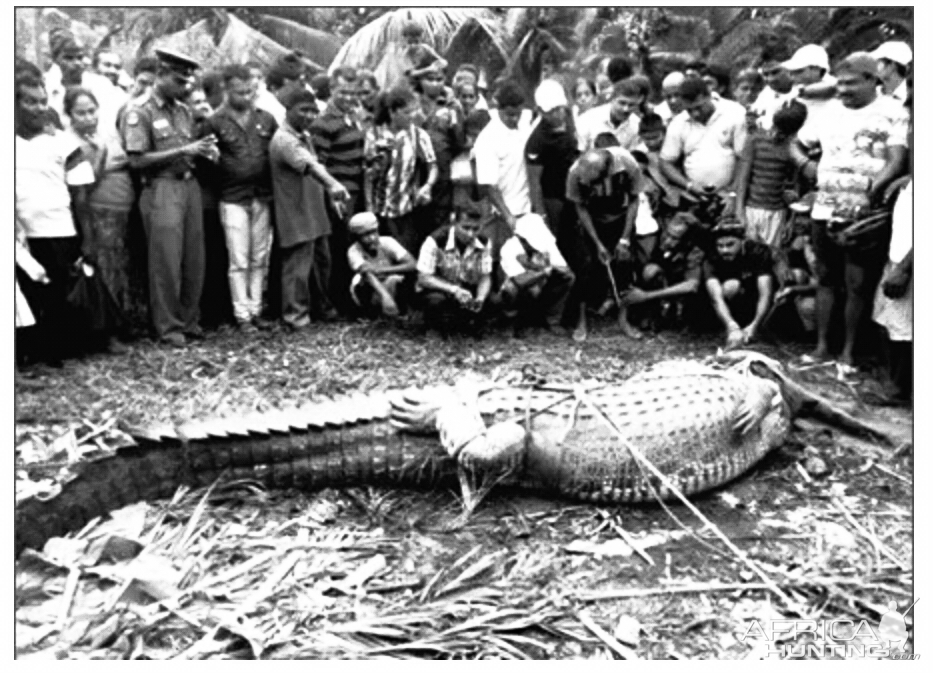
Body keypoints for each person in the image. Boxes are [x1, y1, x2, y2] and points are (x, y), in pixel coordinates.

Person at [793, 52, 909, 371]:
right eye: (840, 83)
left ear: (873, 80)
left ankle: (849, 352)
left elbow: (896, 160)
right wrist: (806, 164)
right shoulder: (828, 111)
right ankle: (821, 347)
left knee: (858, 282)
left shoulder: (893, 112)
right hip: (824, 207)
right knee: (826, 277)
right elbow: (796, 142)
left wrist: (871, 193)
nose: (842, 90)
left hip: (864, 214)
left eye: (850, 83)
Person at [120, 49, 217, 347]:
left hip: (188, 186)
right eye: (178, 80)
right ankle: (167, 327)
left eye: (187, 81)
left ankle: (189, 321)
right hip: (161, 188)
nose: (185, 86)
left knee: (193, 259)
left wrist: (205, 152)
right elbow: (136, 160)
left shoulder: (183, 110)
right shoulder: (139, 112)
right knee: (166, 261)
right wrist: (182, 152)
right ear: (160, 75)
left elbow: (190, 147)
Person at [15, 70, 99, 365]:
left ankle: (61, 352)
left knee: (60, 295)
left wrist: (87, 240)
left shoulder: (64, 144)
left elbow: (81, 197)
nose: (39, 108)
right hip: (21, 238)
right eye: (30, 102)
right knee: (26, 299)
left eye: (42, 101)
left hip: (60, 232)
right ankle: (29, 354)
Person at [203, 64, 279, 331]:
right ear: (226, 90)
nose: (246, 97)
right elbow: (206, 165)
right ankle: (242, 314)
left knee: (260, 257)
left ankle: (257, 308)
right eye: (240, 92)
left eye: (250, 92)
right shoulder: (214, 122)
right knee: (238, 259)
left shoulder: (266, 118)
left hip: (261, 195)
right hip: (233, 197)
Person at [270, 89, 350, 329]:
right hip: (295, 211)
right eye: (303, 110)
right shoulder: (284, 139)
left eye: (313, 111)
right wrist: (334, 185)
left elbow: (316, 165)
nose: (309, 115)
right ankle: (295, 316)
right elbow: (309, 166)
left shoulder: (304, 136)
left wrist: (330, 195)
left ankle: (321, 309)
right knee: (297, 268)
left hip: (314, 210)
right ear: (288, 109)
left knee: (321, 263)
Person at [64, 87, 142, 333]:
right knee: (105, 270)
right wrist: (100, 156)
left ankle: (124, 321)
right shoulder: (72, 144)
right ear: (69, 116)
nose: (88, 118)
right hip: (98, 214)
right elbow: (83, 187)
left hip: (122, 211)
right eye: (81, 113)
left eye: (91, 111)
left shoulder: (107, 133)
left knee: (121, 268)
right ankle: (107, 329)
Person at [565, 147, 643, 341]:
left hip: (621, 219)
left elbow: (634, 199)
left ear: (606, 171)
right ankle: (581, 320)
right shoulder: (575, 172)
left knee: (624, 265)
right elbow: (580, 207)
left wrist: (624, 239)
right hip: (591, 220)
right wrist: (598, 243)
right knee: (585, 266)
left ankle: (623, 319)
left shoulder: (627, 163)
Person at [310, 66, 367, 314]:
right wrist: (331, 195)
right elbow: (318, 165)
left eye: (353, 93)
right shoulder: (323, 123)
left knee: (352, 245)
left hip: (356, 190)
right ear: (332, 89)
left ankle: (349, 298)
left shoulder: (354, 117)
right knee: (338, 248)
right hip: (338, 196)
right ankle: (336, 301)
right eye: (343, 92)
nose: (348, 97)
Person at [363, 87, 438, 256]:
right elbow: (368, 175)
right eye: (406, 112)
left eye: (414, 111)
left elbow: (432, 166)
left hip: (406, 208)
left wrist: (427, 186)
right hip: (380, 208)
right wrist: (369, 206)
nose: (412, 116)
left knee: (406, 253)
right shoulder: (374, 135)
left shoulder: (418, 135)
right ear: (392, 112)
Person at [660, 77, 748, 199]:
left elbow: (744, 158)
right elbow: (666, 162)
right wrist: (688, 186)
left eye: (699, 107)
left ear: (709, 97)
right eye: (690, 110)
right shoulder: (678, 123)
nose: (695, 114)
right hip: (695, 196)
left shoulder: (734, 113)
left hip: (731, 193)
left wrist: (733, 191)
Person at [735, 100, 808, 246]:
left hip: (777, 212)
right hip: (751, 208)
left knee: (772, 256)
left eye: (783, 133)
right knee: (750, 253)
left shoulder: (794, 147)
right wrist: (739, 211)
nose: (776, 134)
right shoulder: (755, 139)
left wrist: (790, 220)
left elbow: (795, 186)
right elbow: (743, 177)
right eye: (776, 128)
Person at [415, 204, 494, 334]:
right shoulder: (435, 240)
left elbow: (485, 275)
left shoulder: (484, 242)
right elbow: (423, 278)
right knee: (436, 301)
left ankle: (465, 321)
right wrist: (453, 290)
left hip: (466, 288)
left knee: (492, 301)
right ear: (454, 222)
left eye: (476, 229)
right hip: (440, 288)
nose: (471, 234)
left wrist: (480, 298)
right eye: (466, 228)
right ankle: (433, 327)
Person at [619, 213, 706, 329]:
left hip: (683, 287)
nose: (667, 241)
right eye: (667, 234)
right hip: (661, 279)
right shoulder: (653, 237)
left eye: (675, 238)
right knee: (650, 271)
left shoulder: (695, 250)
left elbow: (691, 285)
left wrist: (646, 296)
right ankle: (651, 313)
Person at [473, 81, 534, 238]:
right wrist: (508, 216)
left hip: (531, 208)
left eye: (517, 114)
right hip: (507, 212)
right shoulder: (487, 139)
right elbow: (490, 186)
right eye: (509, 115)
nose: (514, 119)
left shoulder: (527, 119)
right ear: (498, 109)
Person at [497, 213, 575, 335]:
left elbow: (565, 270)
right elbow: (518, 280)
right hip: (520, 290)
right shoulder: (510, 247)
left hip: (540, 287)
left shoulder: (547, 243)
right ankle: (512, 321)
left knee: (567, 278)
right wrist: (543, 272)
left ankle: (552, 319)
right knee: (513, 289)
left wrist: (551, 268)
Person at [703, 218, 775, 349]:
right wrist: (731, 326)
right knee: (731, 286)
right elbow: (716, 298)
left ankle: (757, 328)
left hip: (754, 296)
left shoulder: (759, 252)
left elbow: (766, 293)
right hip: (732, 298)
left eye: (730, 245)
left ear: (742, 241)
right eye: (720, 246)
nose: (724, 250)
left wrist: (755, 325)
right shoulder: (711, 256)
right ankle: (732, 326)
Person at [872, 173, 912, 404]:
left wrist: (905, 269)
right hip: (896, 259)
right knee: (886, 321)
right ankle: (893, 381)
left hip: (908, 265)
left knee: (904, 330)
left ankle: (899, 389)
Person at [525, 79, 580, 237]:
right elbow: (534, 182)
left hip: (574, 192)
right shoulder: (536, 141)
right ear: (541, 111)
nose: (557, 114)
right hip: (553, 199)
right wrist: (542, 215)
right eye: (550, 112)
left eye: (559, 109)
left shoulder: (569, 118)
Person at [415, 62, 465, 230]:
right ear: (421, 80)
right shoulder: (412, 101)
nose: (435, 83)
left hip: (442, 166)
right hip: (416, 167)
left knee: (441, 213)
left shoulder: (452, 105)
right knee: (417, 214)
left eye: (439, 79)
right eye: (430, 79)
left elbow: (459, 140)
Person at [45, 30, 122, 136]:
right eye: (69, 58)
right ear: (55, 59)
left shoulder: (102, 85)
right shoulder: (48, 90)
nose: (76, 63)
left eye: (80, 57)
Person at [346, 212, 416, 318]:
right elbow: (367, 274)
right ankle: (371, 313)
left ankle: (403, 311)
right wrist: (386, 297)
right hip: (372, 289)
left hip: (390, 282)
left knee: (401, 279)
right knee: (360, 283)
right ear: (357, 237)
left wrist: (381, 270)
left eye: (374, 232)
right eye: (366, 235)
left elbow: (412, 264)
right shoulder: (354, 251)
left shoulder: (387, 242)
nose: (372, 238)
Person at [782, 44, 837, 136]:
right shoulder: (795, 89)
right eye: (792, 72)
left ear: (816, 69)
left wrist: (801, 92)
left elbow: (832, 88)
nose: (794, 76)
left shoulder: (833, 83)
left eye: (799, 71)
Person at [378, 20, 448, 91]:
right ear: (404, 39)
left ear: (421, 38)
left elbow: (442, 61)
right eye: (410, 43)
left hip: (425, 84)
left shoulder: (425, 48)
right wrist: (429, 69)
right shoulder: (402, 55)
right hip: (409, 87)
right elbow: (410, 74)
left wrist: (440, 64)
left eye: (416, 42)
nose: (413, 45)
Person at [576, 78, 642, 152]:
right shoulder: (587, 119)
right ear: (612, 99)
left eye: (631, 105)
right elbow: (579, 153)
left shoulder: (636, 125)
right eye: (622, 103)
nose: (625, 109)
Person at [751, 49, 795, 131]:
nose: (771, 79)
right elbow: (753, 114)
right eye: (766, 74)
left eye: (775, 72)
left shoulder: (805, 89)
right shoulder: (766, 93)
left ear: (789, 71)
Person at [264, 52, 309, 125]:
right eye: (299, 81)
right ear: (287, 82)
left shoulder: (256, 95)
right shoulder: (278, 114)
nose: (302, 86)